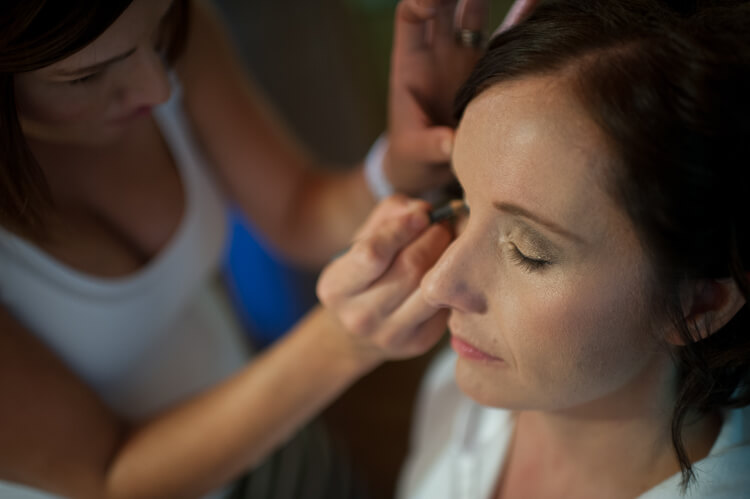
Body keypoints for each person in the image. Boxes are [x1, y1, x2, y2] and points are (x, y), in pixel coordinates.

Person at [0, 0, 540, 497]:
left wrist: (395, 167)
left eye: (162, 30)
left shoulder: (162, 34)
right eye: (86, 76)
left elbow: (294, 210)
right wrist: (341, 344)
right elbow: (107, 477)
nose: (158, 88)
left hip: (269, 411)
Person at [319, 0, 750, 497]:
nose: (437, 283)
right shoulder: (465, 388)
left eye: (528, 252)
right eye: (460, 200)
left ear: (698, 303)